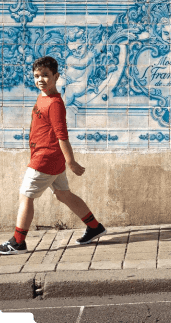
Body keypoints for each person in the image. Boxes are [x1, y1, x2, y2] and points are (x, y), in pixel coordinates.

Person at [0, 56, 106, 255]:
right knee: (63, 194)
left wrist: (71, 162)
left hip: (46, 159)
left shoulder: (55, 104)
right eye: (37, 76)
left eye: (46, 76)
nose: (41, 80)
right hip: (49, 158)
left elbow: (62, 136)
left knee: (26, 195)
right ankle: (94, 227)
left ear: (56, 76)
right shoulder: (43, 97)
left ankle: (18, 242)